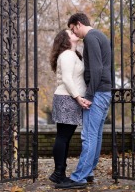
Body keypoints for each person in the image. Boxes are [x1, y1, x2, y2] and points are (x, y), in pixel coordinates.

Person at [55, 12, 112, 190]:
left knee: (89, 136)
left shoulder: (90, 38)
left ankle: (79, 177)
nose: (74, 34)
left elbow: (96, 69)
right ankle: (88, 172)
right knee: (96, 135)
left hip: (97, 93)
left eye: (73, 29)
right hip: (104, 91)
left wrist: (89, 96)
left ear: (78, 24)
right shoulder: (100, 36)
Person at [48, 29, 87, 184]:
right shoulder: (67, 55)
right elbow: (67, 79)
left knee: (64, 137)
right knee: (63, 137)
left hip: (68, 99)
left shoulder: (73, 54)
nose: (74, 32)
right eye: (70, 32)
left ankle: (59, 172)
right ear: (65, 38)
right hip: (67, 99)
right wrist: (78, 98)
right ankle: (58, 173)